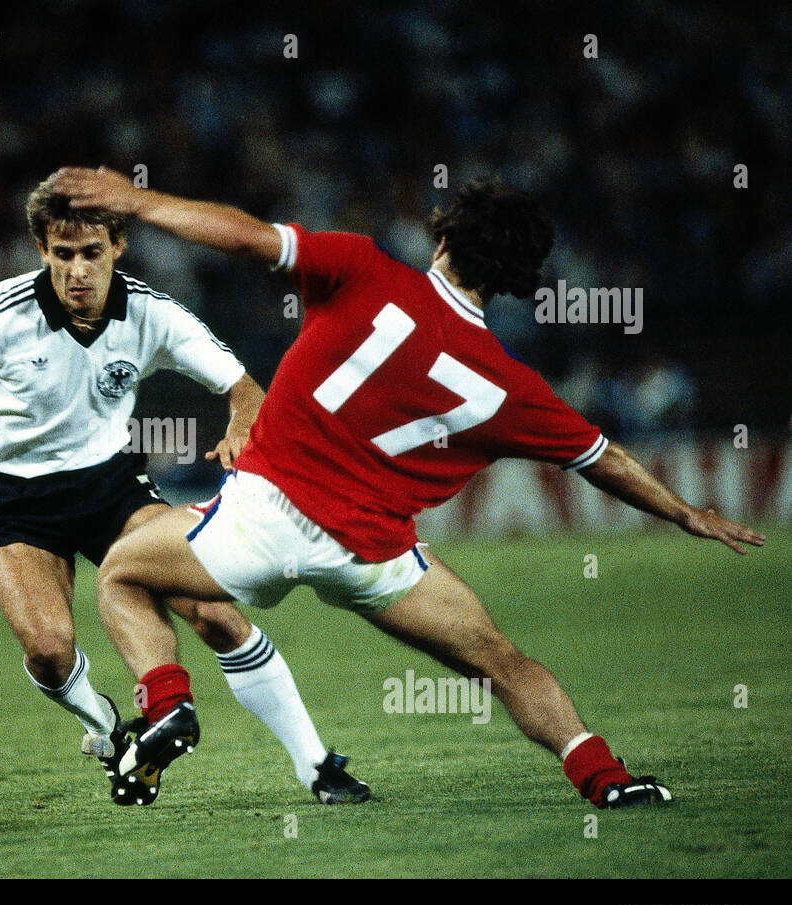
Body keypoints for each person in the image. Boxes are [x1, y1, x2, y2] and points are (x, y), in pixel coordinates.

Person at [52, 166, 766, 809]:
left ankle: (168, 703)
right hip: (373, 555)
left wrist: (138, 202)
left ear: (445, 237)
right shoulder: (511, 388)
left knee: (120, 572)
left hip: (260, 518)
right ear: (515, 278)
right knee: (500, 658)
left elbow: (244, 238)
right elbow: (602, 458)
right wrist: (682, 511)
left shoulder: (364, 269)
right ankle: (605, 777)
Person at [0, 173, 368, 806]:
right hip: (12, 499)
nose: (77, 270)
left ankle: (316, 765)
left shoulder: (152, 314)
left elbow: (244, 388)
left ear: (118, 247)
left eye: (92, 253)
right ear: (41, 250)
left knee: (213, 609)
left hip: (112, 489)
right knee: (50, 651)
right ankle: (110, 729)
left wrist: (244, 420)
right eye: (62, 254)